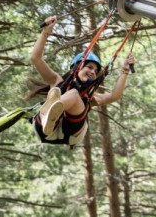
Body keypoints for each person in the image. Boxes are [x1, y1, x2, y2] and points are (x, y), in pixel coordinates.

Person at [28, 15, 135, 146]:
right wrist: (46, 32)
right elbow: (36, 58)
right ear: (76, 68)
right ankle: (49, 116)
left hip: (70, 134)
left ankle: (51, 111)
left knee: (74, 95)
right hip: (43, 128)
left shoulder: (91, 97)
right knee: (68, 92)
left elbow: (114, 96)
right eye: (89, 67)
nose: (92, 72)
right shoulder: (57, 81)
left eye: (96, 71)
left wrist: (125, 71)